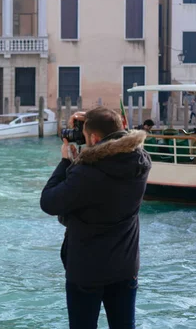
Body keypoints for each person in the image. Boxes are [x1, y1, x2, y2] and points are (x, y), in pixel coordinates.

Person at [40, 107, 151, 329]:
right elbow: (118, 134)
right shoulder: (141, 161)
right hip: (125, 266)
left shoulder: (86, 173)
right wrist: (91, 118)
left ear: (95, 138)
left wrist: (65, 162)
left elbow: (49, 202)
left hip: (87, 271)